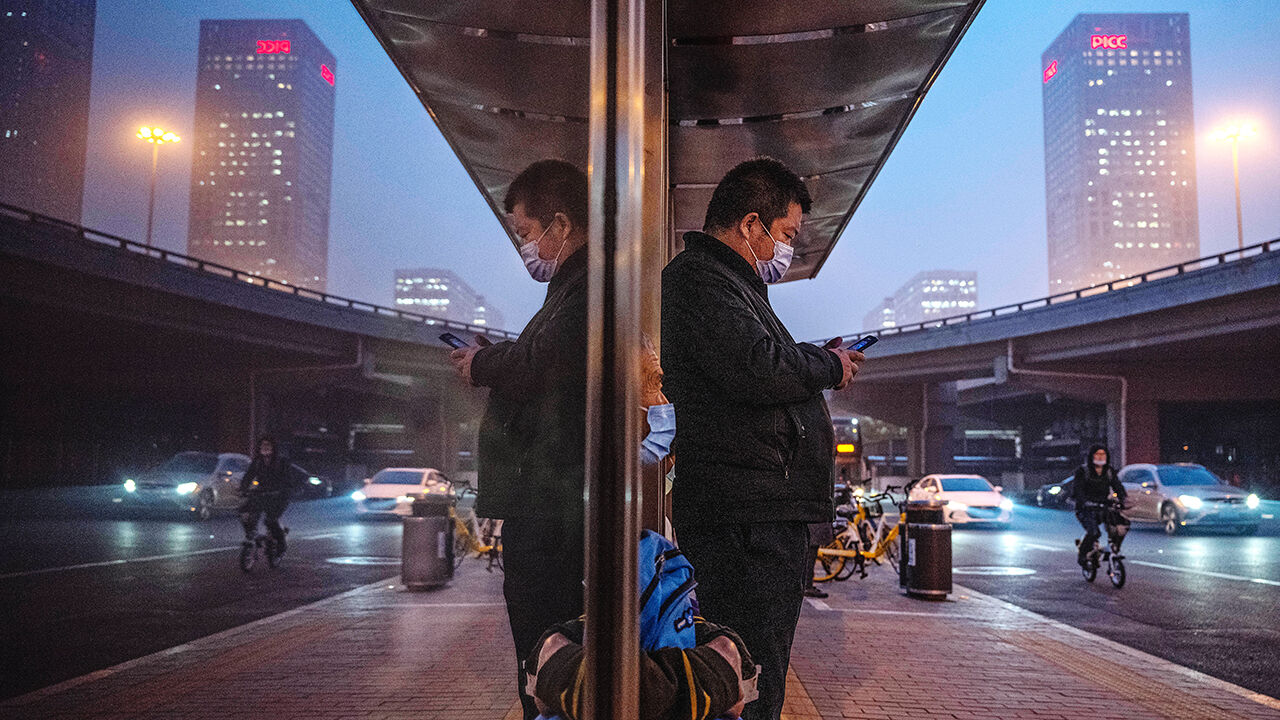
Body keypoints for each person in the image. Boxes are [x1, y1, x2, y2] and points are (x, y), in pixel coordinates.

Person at [660, 157, 863, 720]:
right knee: (748, 673)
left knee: (753, 665)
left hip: (755, 511)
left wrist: (817, 361)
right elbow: (757, 366)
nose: (786, 249)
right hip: (746, 518)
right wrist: (827, 365)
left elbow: (763, 363)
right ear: (751, 225)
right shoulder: (701, 281)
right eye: (787, 234)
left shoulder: (730, 285)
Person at [447, 159, 590, 720]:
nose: (525, 247)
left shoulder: (585, 287)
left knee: (545, 652)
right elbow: (538, 357)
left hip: (553, 507)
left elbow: (540, 363)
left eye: (526, 234)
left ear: (560, 224)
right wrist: (495, 359)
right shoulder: (572, 287)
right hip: (552, 501)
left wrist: (485, 363)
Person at [1071, 444, 1128, 567]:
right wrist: (1084, 502)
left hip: (1104, 506)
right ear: (1091, 456)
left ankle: (1113, 549)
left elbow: (1117, 486)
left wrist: (1122, 499)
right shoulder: (1082, 471)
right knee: (1094, 533)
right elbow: (1078, 490)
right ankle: (1082, 554)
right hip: (1086, 508)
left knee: (1122, 526)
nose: (1100, 457)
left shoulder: (1109, 471)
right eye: (1097, 454)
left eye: (1103, 454)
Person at [239, 435, 292, 554]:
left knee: (270, 520)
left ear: (273, 447)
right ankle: (251, 533)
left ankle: (281, 542)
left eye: (268, 445)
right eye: (263, 445)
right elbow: (248, 476)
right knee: (245, 512)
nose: (265, 448)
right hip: (262, 493)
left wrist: (280, 490)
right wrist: (243, 489)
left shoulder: (281, 462)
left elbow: (287, 479)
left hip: (279, 496)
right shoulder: (257, 462)